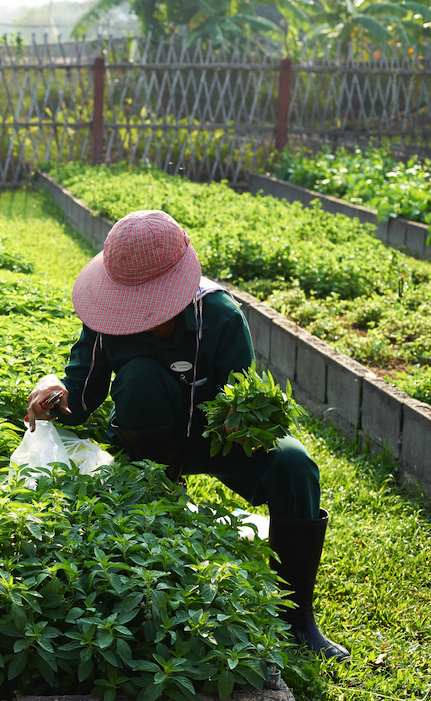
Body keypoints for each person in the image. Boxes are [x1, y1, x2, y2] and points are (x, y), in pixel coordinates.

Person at [25, 209, 350, 661]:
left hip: (218, 439)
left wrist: (243, 420)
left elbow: (242, 392)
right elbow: (80, 400)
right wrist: (52, 393)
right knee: (137, 375)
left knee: (295, 464)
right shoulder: (106, 319)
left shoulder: (219, 315)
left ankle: (297, 618)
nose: (143, 314)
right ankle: (165, 490)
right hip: (148, 443)